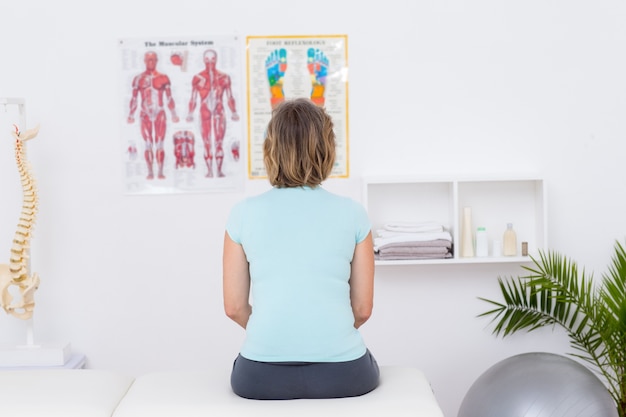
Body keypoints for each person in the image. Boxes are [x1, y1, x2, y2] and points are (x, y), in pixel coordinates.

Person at [222, 98, 379, 400]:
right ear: (327, 150)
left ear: (270, 150)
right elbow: (362, 309)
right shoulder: (353, 213)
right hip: (346, 375)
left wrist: (275, 334)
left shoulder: (242, 214)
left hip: (258, 377)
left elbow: (234, 308)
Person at [186, 49, 239, 178]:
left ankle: (219, 171)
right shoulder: (197, 78)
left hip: (219, 111)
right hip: (204, 111)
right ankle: (209, 171)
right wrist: (190, 113)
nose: (210, 62)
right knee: (207, 142)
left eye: (213, 59)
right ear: (204, 60)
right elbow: (193, 98)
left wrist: (234, 112)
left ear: (216, 59)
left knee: (218, 142)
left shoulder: (224, 77)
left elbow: (229, 96)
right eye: (207, 59)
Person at [127, 51, 179, 180]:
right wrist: (131, 114)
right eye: (148, 59)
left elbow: (169, 97)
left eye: (153, 59)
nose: (151, 62)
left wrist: (173, 114)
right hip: (145, 114)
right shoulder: (138, 78)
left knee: (160, 143)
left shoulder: (163, 77)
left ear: (157, 61)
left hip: (160, 113)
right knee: (148, 143)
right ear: (144, 61)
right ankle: (150, 172)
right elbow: (134, 99)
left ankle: (160, 171)